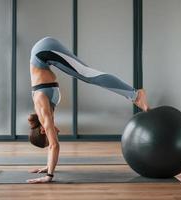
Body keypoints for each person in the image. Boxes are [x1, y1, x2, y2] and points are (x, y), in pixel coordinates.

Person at [26, 37, 150, 183]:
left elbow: (54, 145)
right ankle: (134, 94)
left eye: (48, 135)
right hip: (44, 54)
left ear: (42, 131)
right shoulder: (46, 114)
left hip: (43, 51)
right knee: (86, 75)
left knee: (87, 74)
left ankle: (136, 95)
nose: (56, 134)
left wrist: (49, 176)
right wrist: (48, 166)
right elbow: (52, 146)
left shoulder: (42, 110)